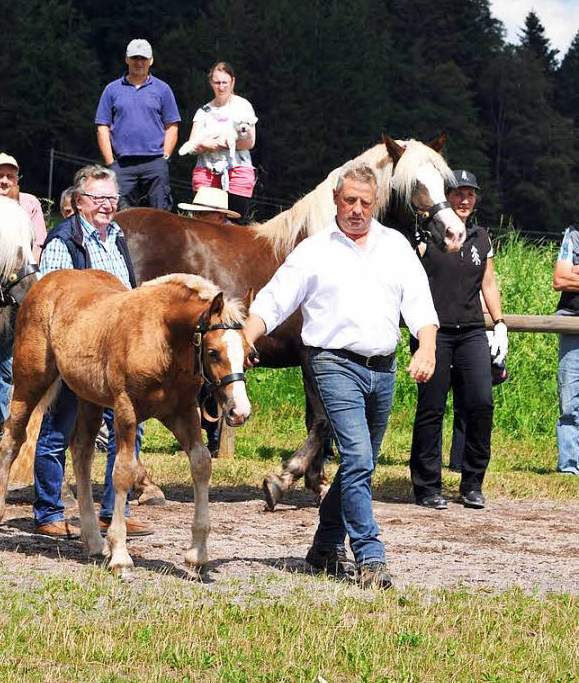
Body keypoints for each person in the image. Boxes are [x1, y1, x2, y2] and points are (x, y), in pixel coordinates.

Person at [242, 163, 438, 589]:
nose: (357, 210)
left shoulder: (396, 247)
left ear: (376, 204)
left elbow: (421, 306)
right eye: (349, 200)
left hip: (382, 370)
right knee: (360, 460)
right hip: (331, 364)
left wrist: (427, 346)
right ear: (335, 200)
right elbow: (274, 301)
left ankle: (324, 547)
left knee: (354, 467)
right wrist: (244, 340)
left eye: (365, 203)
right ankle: (370, 557)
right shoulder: (316, 250)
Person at [32, 164, 154, 538]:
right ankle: (48, 511)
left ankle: (115, 509)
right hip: (77, 350)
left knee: (129, 431)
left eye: (112, 198)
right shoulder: (62, 241)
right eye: (99, 198)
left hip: (116, 354)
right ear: (79, 201)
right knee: (59, 428)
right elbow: (49, 301)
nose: (107, 205)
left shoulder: (116, 236)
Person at [410, 170, 506, 510]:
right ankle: (426, 486)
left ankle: (472, 483)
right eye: (458, 194)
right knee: (432, 408)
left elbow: (488, 283)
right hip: (435, 333)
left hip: (471, 333)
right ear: (447, 198)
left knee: (481, 404)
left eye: (470, 194)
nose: (464, 200)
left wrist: (499, 324)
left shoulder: (481, 237)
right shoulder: (428, 237)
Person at [0, 153, 46, 446]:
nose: (4, 180)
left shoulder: (30, 204)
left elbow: (37, 244)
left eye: (10, 175)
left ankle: (9, 426)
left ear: (18, 179)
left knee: (11, 364)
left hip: (17, 294)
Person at [95, 39, 181, 211]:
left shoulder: (163, 89)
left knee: (160, 214)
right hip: (122, 164)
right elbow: (102, 127)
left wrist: (165, 157)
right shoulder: (112, 89)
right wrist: (110, 163)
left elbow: (172, 125)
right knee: (116, 213)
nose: (139, 63)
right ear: (127, 59)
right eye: (135, 58)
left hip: (155, 162)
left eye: (143, 58)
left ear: (151, 60)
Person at [185, 62, 258, 219]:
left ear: (232, 81)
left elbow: (250, 142)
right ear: (211, 83)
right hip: (207, 171)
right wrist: (204, 144)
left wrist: (219, 144)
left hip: (238, 171)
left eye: (225, 82)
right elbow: (191, 145)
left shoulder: (243, 106)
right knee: (205, 223)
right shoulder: (203, 111)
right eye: (217, 82)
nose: (221, 87)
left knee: (236, 222)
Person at [553, 223, 579, 475]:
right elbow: (560, 279)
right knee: (569, 401)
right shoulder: (572, 234)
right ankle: (570, 465)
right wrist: (569, 275)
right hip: (572, 324)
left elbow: (569, 276)